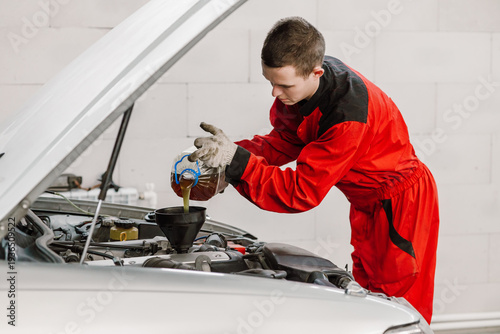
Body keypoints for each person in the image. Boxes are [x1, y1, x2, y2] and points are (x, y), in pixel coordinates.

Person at [189, 17, 439, 323]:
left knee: (395, 305)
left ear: (316, 72)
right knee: (366, 296)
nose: (274, 93)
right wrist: (228, 160)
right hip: (367, 204)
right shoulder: (304, 86)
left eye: (283, 85)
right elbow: (285, 140)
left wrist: (239, 163)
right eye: (270, 82)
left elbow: (301, 192)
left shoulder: (348, 116)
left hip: (402, 206)